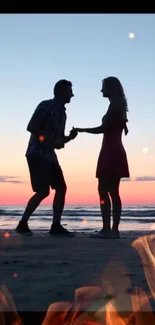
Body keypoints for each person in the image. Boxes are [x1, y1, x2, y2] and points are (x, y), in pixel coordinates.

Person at [16, 79, 78, 236]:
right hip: (37, 154)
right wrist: (46, 140)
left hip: (50, 156)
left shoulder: (63, 113)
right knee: (43, 191)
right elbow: (32, 127)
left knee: (61, 188)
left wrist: (69, 138)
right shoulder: (45, 105)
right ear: (60, 91)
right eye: (69, 91)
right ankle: (23, 223)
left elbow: (58, 142)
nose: (72, 94)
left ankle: (56, 225)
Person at [74, 77, 130, 238]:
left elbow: (103, 128)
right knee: (112, 191)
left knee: (104, 191)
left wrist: (83, 130)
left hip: (111, 151)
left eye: (103, 87)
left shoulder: (115, 104)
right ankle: (113, 230)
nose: (101, 91)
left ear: (111, 88)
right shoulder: (118, 104)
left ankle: (108, 230)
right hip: (113, 149)